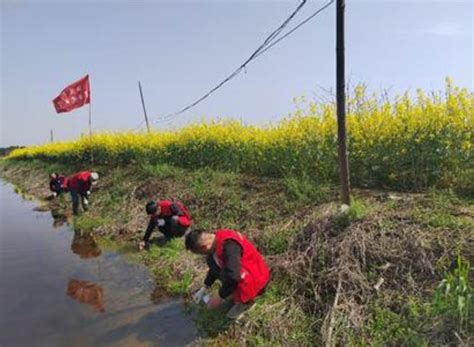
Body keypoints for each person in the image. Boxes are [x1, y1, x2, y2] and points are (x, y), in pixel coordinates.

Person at [185, 229, 270, 320]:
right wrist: (205, 286)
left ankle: (245, 301)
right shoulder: (214, 242)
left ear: (204, 247)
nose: (202, 255)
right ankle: (234, 294)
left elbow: (233, 276)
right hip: (240, 274)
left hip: (255, 278)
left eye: (201, 253)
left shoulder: (230, 245)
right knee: (213, 262)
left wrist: (220, 296)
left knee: (228, 313)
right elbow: (214, 267)